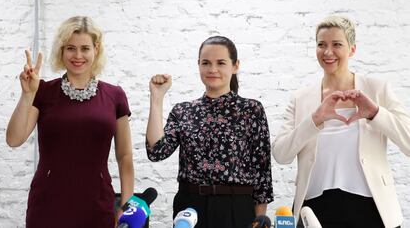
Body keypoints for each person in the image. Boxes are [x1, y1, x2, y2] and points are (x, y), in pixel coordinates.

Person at [272, 15, 410, 228]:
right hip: (315, 209)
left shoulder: (377, 89)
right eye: (321, 45)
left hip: (373, 208)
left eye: (337, 44)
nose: (328, 52)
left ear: (352, 49)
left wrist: (375, 113)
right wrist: (315, 120)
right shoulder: (301, 98)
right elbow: (281, 154)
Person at [6, 16, 134, 227]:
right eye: (70, 48)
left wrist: (126, 204)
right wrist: (27, 94)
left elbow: (125, 155)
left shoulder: (115, 95)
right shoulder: (43, 91)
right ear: (62, 51)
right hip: (48, 204)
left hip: (97, 204)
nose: (78, 55)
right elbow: (14, 139)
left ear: (96, 49)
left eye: (85, 48)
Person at [145, 36, 273, 228]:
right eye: (206, 63)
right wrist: (157, 98)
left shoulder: (251, 109)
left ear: (235, 65)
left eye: (221, 63)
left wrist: (259, 221)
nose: (212, 69)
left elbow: (262, 173)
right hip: (190, 207)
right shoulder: (183, 111)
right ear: (198, 65)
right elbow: (156, 152)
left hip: (236, 208)